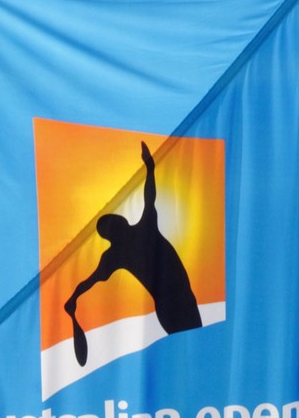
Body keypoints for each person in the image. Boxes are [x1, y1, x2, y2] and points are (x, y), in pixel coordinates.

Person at [64, 142, 202, 365]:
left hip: (176, 303)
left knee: (192, 356)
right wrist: (149, 167)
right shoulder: (130, 241)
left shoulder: (118, 252)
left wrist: (73, 299)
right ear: (116, 229)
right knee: (193, 356)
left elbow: (87, 283)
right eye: (113, 224)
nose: (118, 222)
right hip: (175, 303)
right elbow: (150, 196)